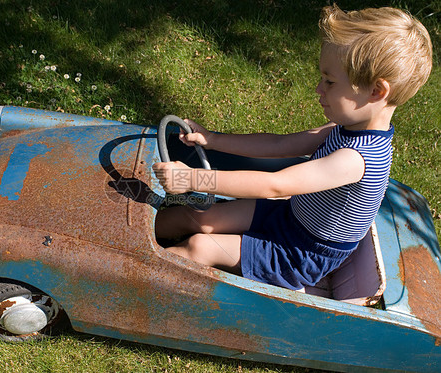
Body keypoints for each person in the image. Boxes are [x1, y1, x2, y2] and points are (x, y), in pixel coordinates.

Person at [152, 5, 433, 290]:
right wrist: (213, 140)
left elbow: (276, 185)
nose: (318, 89)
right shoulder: (345, 130)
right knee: (196, 216)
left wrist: (192, 178)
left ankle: (138, 283)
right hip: (289, 217)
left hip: (300, 254)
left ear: (376, 91)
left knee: (201, 246)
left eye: (330, 81)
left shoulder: (355, 159)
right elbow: (280, 144)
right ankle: (123, 239)